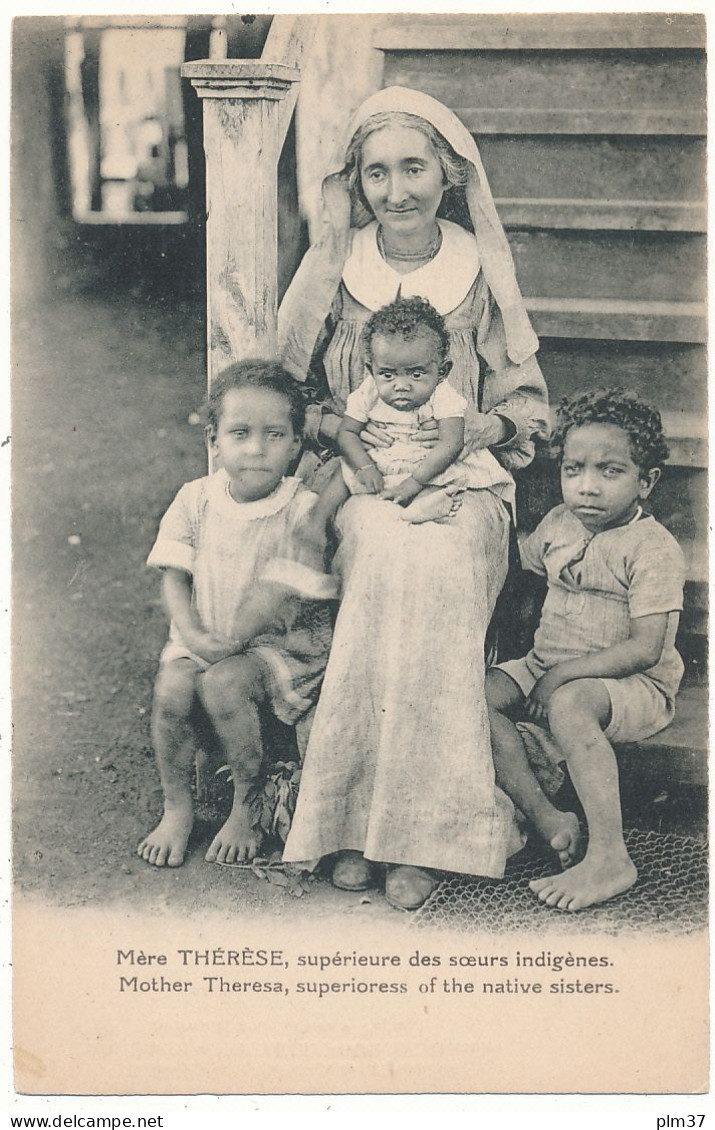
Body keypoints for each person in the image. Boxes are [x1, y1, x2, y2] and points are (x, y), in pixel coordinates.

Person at [278, 86, 549, 911]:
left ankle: (423, 834)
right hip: (359, 477)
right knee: (388, 552)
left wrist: (479, 434)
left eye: (413, 168)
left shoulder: (478, 266)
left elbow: (531, 404)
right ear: (354, 184)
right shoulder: (336, 266)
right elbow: (285, 395)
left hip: (467, 482)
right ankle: (349, 822)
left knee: (433, 563)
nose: (396, 191)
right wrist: (343, 433)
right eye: (376, 173)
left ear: (448, 174)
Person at [486, 389, 685, 911]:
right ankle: (546, 815)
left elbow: (646, 649)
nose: (587, 487)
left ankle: (610, 856)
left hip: (629, 684)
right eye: (573, 469)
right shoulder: (558, 522)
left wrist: (561, 679)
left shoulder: (653, 547)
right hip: (544, 666)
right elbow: (516, 563)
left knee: (571, 703)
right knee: (468, 697)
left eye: (610, 471)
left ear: (647, 481)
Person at [137, 360, 334, 869]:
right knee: (172, 687)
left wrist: (228, 643)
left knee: (224, 684)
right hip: (205, 631)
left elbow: (283, 593)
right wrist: (194, 636)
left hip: (278, 645)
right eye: (240, 433)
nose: (256, 448)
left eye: (274, 435)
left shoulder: (302, 508)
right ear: (214, 439)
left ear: (295, 445)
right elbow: (173, 578)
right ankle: (177, 807)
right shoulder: (195, 499)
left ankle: (248, 804)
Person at [302, 295, 515, 545]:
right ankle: (315, 522)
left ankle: (427, 504)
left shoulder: (444, 395)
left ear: (442, 372)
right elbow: (347, 433)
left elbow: (451, 443)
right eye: (388, 374)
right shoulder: (368, 391)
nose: (401, 386)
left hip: (426, 461)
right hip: (380, 457)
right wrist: (364, 466)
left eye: (416, 374)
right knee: (343, 473)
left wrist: (414, 482)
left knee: (447, 477)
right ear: (372, 371)